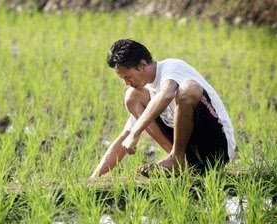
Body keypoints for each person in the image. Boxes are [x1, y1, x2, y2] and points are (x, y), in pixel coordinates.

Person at [90, 39, 236, 178]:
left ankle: (176, 158)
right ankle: (181, 163)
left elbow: (167, 94)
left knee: (188, 89)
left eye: (128, 77)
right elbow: (123, 138)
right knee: (132, 97)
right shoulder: (147, 93)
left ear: (142, 65)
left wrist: (136, 133)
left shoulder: (172, 67)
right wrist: (93, 180)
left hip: (217, 148)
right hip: (192, 158)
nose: (126, 83)